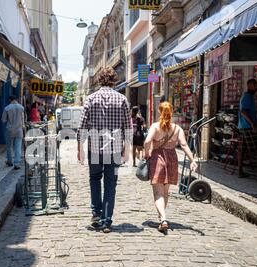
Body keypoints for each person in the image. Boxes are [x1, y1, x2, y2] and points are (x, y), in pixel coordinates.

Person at [78, 67, 132, 234]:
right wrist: (127, 150)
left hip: (94, 148)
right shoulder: (122, 99)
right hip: (115, 149)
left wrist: (79, 148)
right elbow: (128, 127)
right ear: (114, 80)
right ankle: (106, 221)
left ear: (100, 80)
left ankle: (96, 213)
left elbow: (82, 127)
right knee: (110, 183)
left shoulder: (90, 99)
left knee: (94, 179)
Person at [144, 102, 198, 234]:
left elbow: (147, 141)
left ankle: (163, 219)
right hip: (172, 159)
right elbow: (184, 145)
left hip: (158, 159)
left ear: (159, 111)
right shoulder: (177, 128)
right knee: (165, 192)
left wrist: (147, 153)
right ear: (171, 112)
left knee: (158, 193)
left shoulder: (155, 127)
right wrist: (193, 160)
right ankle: (162, 217)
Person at [238, 79, 257, 178]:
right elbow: (243, 111)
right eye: (255, 85)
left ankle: (240, 171)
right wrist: (252, 124)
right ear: (250, 86)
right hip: (248, 127)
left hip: (243, 127)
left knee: (242, 150)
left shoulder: (248, 97)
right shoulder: (247, 97)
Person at [3, 96, 25, 170]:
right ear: (16, 99)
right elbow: (23, 119)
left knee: (9, 147)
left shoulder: (7, 108)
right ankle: (17, 163)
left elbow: (3, 120)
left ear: (10, 100)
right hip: (19, 130)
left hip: (10, 130)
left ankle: (9, 161)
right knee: (18, 147)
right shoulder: (21, 108)